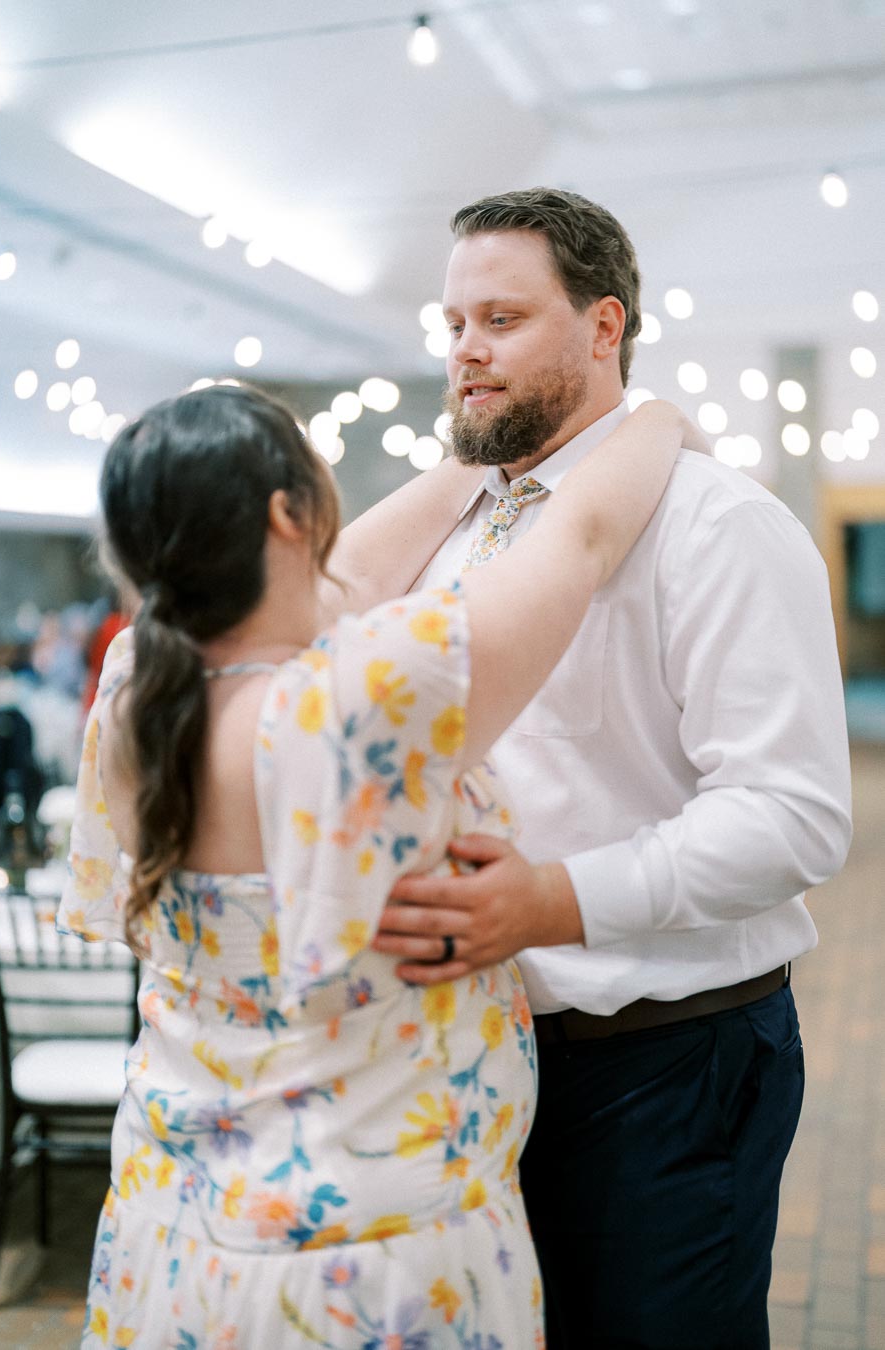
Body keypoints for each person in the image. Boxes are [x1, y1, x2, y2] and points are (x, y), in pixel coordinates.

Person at [57, 381, 698, 1347]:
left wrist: (482, 452)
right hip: (362, 1261)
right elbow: (581, 543)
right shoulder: (358, 699)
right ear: (288, 513)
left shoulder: (137, 691)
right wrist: (652, 412)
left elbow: (330, 585)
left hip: (176, 1229)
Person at [371, 188, 854, 1350]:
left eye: (500, 318)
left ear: (604, 327)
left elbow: (794, 818)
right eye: (452, 326)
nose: (466, 353)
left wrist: (547, 899)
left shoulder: (719, 525)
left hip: (664, 1061)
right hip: (477, 1059)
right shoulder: (459, 526)